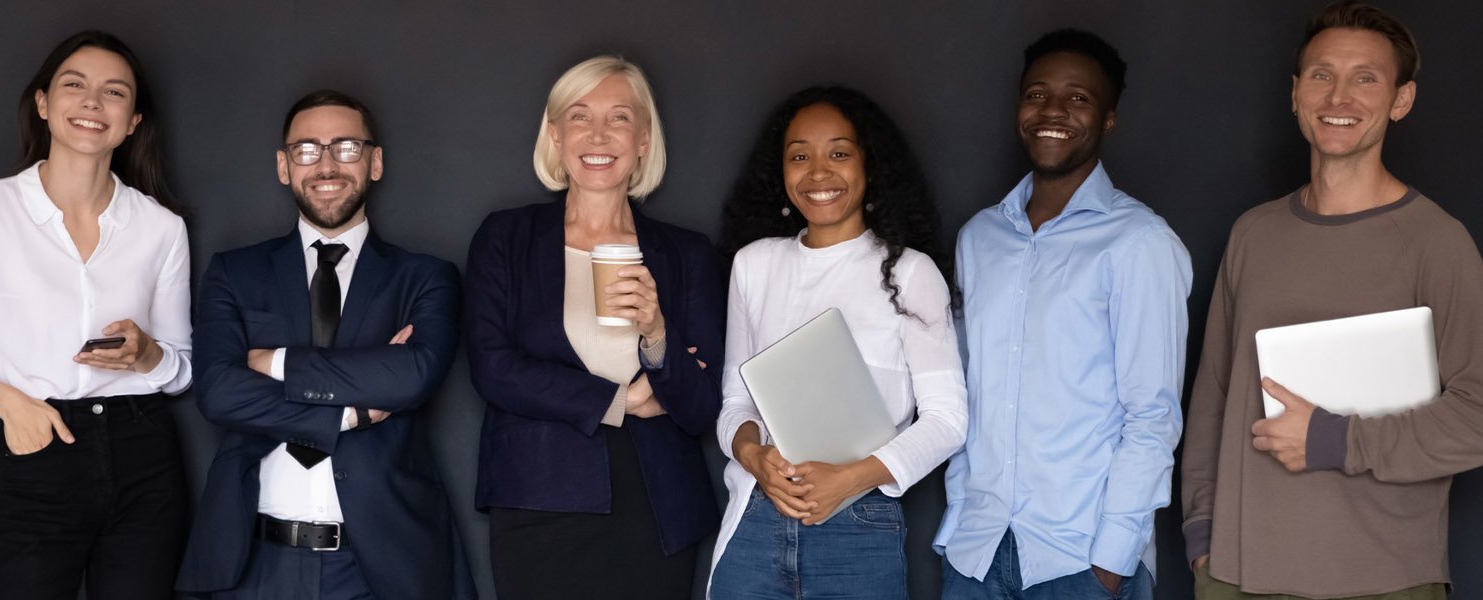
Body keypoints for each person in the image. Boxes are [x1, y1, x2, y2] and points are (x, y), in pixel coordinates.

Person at [1180, 2, 1483, 598]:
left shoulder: (1436, 242)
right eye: (1321, 75)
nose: (1339, 98)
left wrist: (1335, 440)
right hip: (1239, 573)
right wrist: (1202, 536)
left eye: (1366, 78)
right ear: (1295, 94)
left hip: (1385, 577)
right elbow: (1214, 395)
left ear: (1401, 99)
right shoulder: (1252, 233)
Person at [0, 30, 191, 600]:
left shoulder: (161, 228)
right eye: (74, 85)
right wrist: (4, 400)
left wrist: (149, 354)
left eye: (114, 92)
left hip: (144, 452)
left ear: (133, 122)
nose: (92, 103)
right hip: (39, 444)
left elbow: (181, 368)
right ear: (44, 103)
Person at [936, 29, 1191, 600]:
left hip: (1080, 563)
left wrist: (1112, 561)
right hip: (975, 553)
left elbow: (1152, 415)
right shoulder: (979, 238)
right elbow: (963, 390)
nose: (1053, 110)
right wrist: (959, 516)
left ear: (1107, 119)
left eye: (1078, 97)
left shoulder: (1140, 242)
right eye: (1037, 94)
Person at [175, 90, 460, 600]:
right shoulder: (235, 273)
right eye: (307, 150)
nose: (326, 165)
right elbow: (218, 391)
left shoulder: (424, 278)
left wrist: (274, 361)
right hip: (252, 564)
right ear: (285, 167)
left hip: (379, 569)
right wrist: (350, 415)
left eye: (346, 147)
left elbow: (413, 374)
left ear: (375, 162)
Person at [465, 55, 723, 600]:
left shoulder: (686, 254)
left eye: (620, 118)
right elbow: (494, 368)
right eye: (580, 116)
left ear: (645, 139)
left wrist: (656, 331)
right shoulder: (506, 237)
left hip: (657, 507)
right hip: (538, 498)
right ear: (555, 135)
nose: (599, 134)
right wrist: (619, 401)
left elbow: (700, 407)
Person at [708, 86, 968, 599]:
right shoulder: (753, 265)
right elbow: (736, 402)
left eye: (839, 153)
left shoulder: (910, 273)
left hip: (859, 524)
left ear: (870, 166)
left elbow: (947, 421)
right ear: (781, 171)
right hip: (756, 519)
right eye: (800, 155)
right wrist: (752, 456)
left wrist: (848, 480)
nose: (818, 172)